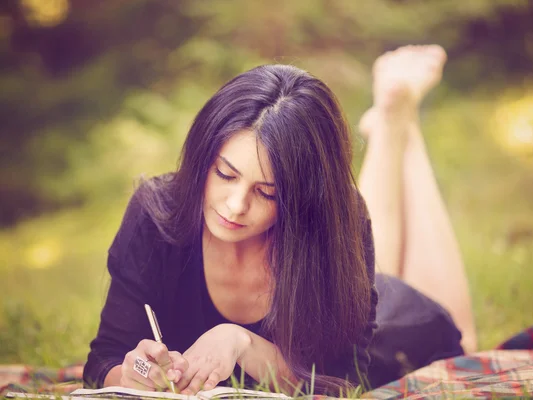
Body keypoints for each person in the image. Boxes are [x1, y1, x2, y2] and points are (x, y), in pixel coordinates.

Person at [83, 45, 475, 395]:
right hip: (358, 281)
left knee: (466, 339)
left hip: (396, 330)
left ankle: (400, 123)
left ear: (303, 199)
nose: (235, 205)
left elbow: (341, 381)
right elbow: (105, 360)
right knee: (375, 257)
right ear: (205, 155)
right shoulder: (157, 214)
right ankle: (390, 126)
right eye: (225, 173)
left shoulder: (334, 224)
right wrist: (132, 373)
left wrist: (241, 343)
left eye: (267, 192)